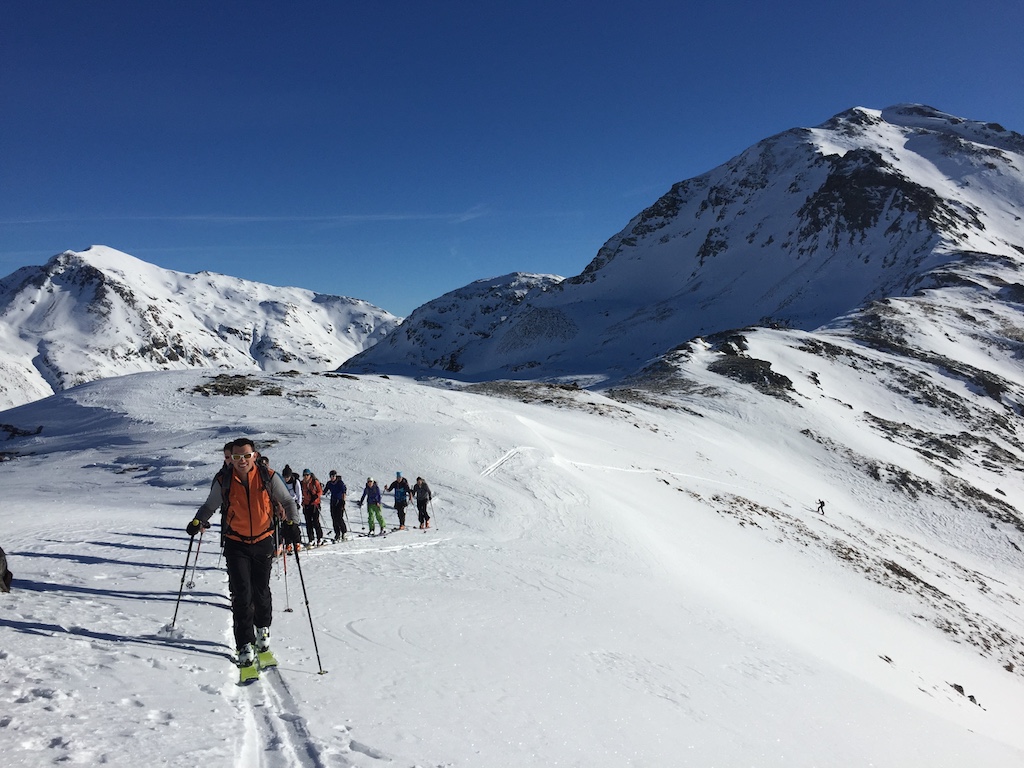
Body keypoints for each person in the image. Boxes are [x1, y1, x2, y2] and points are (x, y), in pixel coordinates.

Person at [186, 438, 301, 667]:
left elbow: (288, 501)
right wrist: (198, 521)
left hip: (263, 541)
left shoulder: (268, 476)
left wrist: (293, 524)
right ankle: (245, 643)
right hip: (236, 543)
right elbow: (210, 506)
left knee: (261, 592)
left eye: (246, 456)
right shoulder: (225, 480)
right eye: (237, 456)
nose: (241, 461)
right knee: (242, 594)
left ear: (254, 456)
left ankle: (262, 631)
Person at [281, 468, 303, 552]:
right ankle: (288, 543)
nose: (286, 478)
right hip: (284, 504)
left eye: (287, 477)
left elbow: (299, 493)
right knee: (285, 525)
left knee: (293, 524)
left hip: (293, 504)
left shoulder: (295, 482)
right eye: (284, 477)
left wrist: (299, 504)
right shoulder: (282, 482)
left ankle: (297, 542)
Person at [301, 469, 325, 547]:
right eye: (304, 475)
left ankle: (319, 538)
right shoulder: (302, 483)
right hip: (307, 505)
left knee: (315, 522)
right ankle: (311, 539)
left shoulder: (315, 482)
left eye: (307, 475)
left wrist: (316, 496)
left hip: (315, 504)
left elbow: (320, 491)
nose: (305, 477)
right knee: (308, 523)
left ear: (310, 475)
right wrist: (302, 503)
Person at [324, 470, 348, 542]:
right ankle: (337, 533)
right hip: (333, 502)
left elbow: (344, 492)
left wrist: (343, 502)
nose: (332, 477)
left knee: (339, 518)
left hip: (340, 501)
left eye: (334, 476)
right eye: (331, 476)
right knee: (334, 518)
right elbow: (324, 491)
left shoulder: (340, 483)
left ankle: (344, 532)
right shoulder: (329, 483)